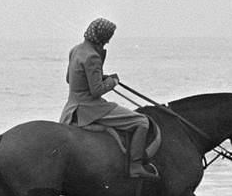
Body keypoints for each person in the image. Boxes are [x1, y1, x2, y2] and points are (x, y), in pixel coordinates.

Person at [59, 18, 158, 179]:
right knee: (142, 121)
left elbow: (70, 79)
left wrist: (98, 77)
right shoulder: (92, 56)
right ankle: (136, 166)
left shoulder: (75, 50)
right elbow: (96, 91)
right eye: (109, 38)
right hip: (89, 108)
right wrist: (113, 81)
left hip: (71, 106)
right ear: (104, 37)